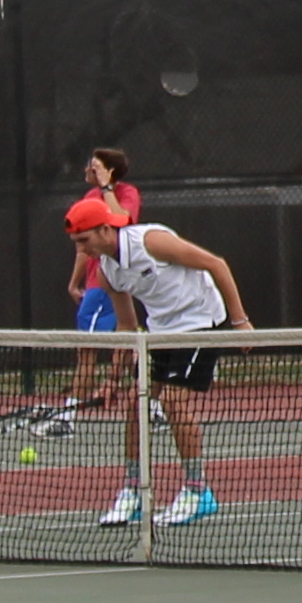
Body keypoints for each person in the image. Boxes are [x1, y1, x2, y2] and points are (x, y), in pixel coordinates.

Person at [91, 206, 247, 532]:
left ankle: (197, 490)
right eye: (75, 242)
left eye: (84, 239)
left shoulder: (152, 241)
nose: (80, 248)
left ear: (105, 230)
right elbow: (126, 325)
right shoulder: (107, 270)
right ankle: (134, 491)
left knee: (174, 402)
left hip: (200, 322)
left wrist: (240, 322)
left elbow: (216, 264)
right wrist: (112, 380)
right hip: (160, 330)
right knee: (138, 403)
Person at [62, 147, 145, 413]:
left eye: (94, 166)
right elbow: (82, 247)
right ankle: (139, 389)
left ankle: (70, 411)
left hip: (111, 280)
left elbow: (121, 220)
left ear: (109, 172)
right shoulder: (89, 196)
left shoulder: (127, 194)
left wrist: (107, 188)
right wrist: (75, 283)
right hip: (98, 282)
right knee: (122, 339)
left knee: (88, 348)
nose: (88, 170)